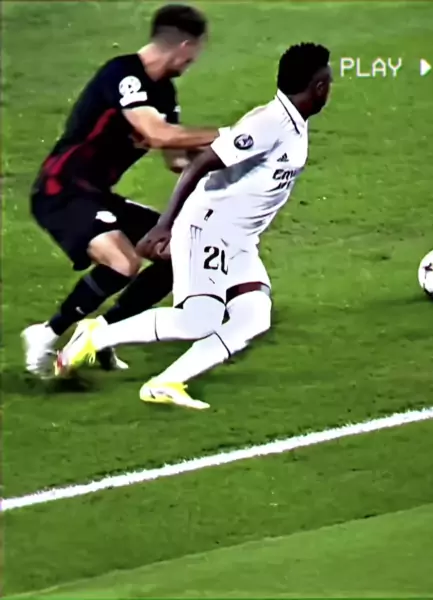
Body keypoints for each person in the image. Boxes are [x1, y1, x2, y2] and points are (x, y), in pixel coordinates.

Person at [56, 43, 333, 409]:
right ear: (318, 87)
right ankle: (96, 336)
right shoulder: (271, 124)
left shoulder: (291, 123)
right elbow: (202, 164)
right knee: (198, 320)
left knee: (253, 316)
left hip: (238, 238)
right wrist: (165, 226)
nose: (330, 88)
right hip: (209, 227)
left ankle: (165, 383)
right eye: (328, 81)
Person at [22, 4, 221, 379]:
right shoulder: (123, 73)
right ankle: (46, 334)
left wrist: (228, 158)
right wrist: (231, 134)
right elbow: (157, 134)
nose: (194, 60)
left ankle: (104, 335)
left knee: (182, 252)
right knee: (123, 262)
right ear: (184, 45)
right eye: (195, 51)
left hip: (97, 195)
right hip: (61, 190)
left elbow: (176, 158)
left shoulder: (164, 92)